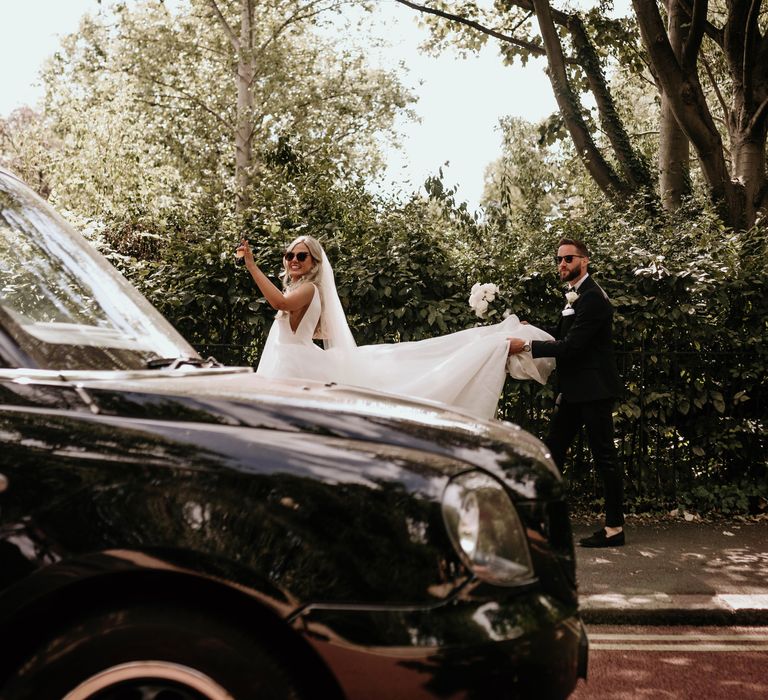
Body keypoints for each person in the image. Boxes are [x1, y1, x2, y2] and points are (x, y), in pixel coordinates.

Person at [237, 235, 556, 421]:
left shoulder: (307, 290)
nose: (293, 259)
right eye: (289, 255)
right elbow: (307, 326)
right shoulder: (303, 291)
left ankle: (492, 346)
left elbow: (279, 303)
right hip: (295, 358)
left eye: (301, 256)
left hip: (294, 365)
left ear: (314, 262)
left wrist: (251, 264)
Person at [507, 237, 625, 547]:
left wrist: (527, 345)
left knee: (605, 458)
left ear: (584, 260)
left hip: (595, 391)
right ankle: (543, 521)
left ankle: (615, 528)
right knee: (552, 451)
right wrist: (532, 330)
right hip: (574, 392)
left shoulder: (593, 298)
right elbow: (564, 336)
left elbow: (572, 347)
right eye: (559, 259)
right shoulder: (575, 296)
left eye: (568, 259)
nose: (562, 264)